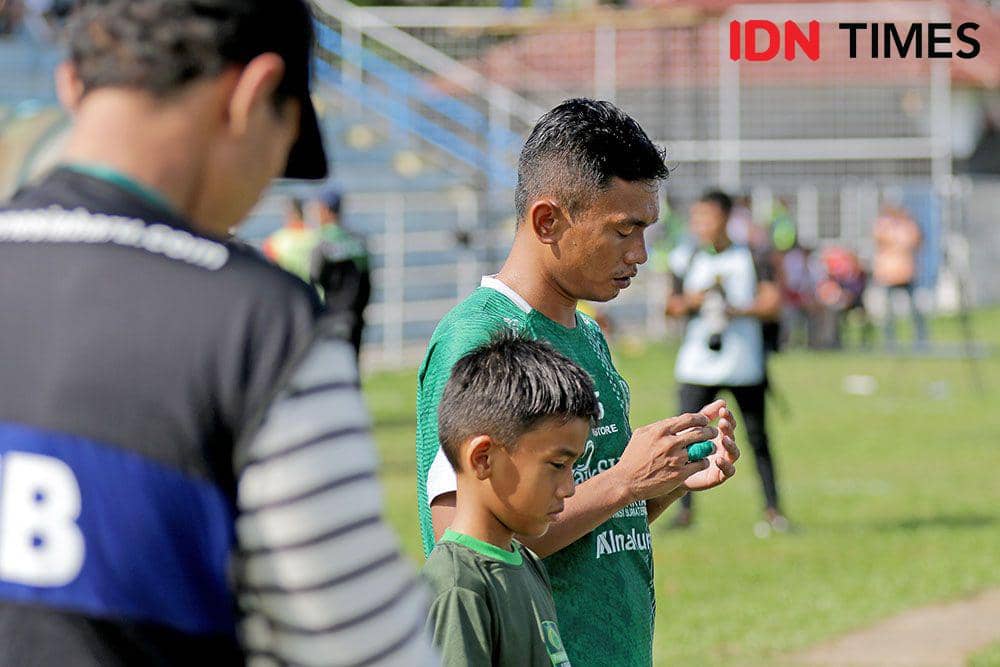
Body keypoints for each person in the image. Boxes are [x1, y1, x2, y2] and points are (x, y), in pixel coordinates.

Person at [0, 1, 435, 665]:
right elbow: (370, 652)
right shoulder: (263, 331)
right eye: (283, 145)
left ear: (72, 85)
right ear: (253, 94)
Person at [416, 98, 740, 667]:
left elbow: (578, 517)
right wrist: (625, 481)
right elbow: (464, 544)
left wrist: (663, 479)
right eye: (624, 230)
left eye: (646, 230)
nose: (640, 254)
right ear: (548, 221)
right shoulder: (480, 339)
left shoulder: (587, 333)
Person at [423, 333, 599, 666]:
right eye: (558, 465)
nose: (569, 487)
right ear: (483, 458)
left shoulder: (525, 562)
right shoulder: (458, 587)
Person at [665, 190, 787, 535]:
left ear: (726, 218)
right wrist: (696, 300)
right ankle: (683, 510)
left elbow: (773, 303)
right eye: (697, 218)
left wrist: (733, 309)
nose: (701, 225)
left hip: (744, 364)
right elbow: (670, 306)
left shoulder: (752, 255)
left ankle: (773, 509)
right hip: (697, 365)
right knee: (686, 438)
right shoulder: (685, 256)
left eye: (708, 217)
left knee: (758, 438)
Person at [309, 186, 371, 359]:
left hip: (332, 316)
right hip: (356, 315)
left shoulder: (322, 243)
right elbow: (368, 281)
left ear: (325, 209)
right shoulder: (359, 240)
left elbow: (314, 280)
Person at [873, 204, 927, 348]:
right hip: (888, 274)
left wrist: (905, 226)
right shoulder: (884, 226)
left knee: (915, 309)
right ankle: (890, 342)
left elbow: (914, 240)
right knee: (888, 312)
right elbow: (880, 237)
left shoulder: (908, 227)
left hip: (906, 273)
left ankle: (921, 341)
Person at [262, 197, 317, 283]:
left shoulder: (275, 241)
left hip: (289, 291)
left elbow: (269, 271)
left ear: (289, 214)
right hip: (315, 292)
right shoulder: (317, 236)